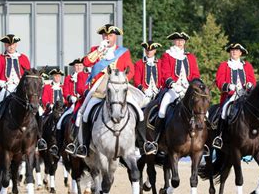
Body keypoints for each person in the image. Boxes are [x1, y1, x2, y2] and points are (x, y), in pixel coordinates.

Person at [65, 24, 136, 158]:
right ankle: (83, 145)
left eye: (110, 35)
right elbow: (86, 62)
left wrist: (122, 79)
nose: (107, 37)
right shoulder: (96, 50)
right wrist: (99, 50)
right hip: (99, 86)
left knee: (138, 110)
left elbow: (130, 70)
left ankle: (141, 143)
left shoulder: (123, 52)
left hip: (118, 85)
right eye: (105, 35)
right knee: (83, 112)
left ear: (115, 37)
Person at [0, 34, 46, 152]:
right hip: (5, 88)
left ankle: (39, 138)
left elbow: (29, 75)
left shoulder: (23, 58)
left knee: (40, 111)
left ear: (16, 45)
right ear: (5, 45)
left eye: (12, 44)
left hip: (21, 90)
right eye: (8, 44)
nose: (10, 47)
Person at [145, 32, 200, 155]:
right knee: (162, 110)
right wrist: (173, 85)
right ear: (173, 41)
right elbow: (165, 73)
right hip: (173, 89)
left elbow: (195, 74)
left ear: (185, 42)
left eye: (182, 40)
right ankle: (156, 140)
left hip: (188, 90)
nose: (179, 42)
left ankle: (203, 142)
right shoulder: (167, 55)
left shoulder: (190, 57)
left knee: (203, 112)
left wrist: (193, 85)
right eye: (177, 40)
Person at [213, 43, 257, 149]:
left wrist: (250, 85)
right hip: (231, 95)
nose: (234, 52)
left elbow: (252, 81)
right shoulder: (224, 65)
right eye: (232, 50)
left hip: (245, 95)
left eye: (236, 50)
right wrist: (229, 86)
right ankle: (219, 137)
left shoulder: (247, 66)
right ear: (230, 52)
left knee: (257, 110)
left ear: (240, 53)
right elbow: (219, 81)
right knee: (224, 111)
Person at [134, 41, 162, 106]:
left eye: (151, 50)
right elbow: (136, 80)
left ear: (155, 51)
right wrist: (144, 90)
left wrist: (161, 88)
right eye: (147, 50)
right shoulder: (139, 64)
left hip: (158, 92)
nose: (149, 52)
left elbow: (163, 77)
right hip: (145, 93)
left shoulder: (160, 63)